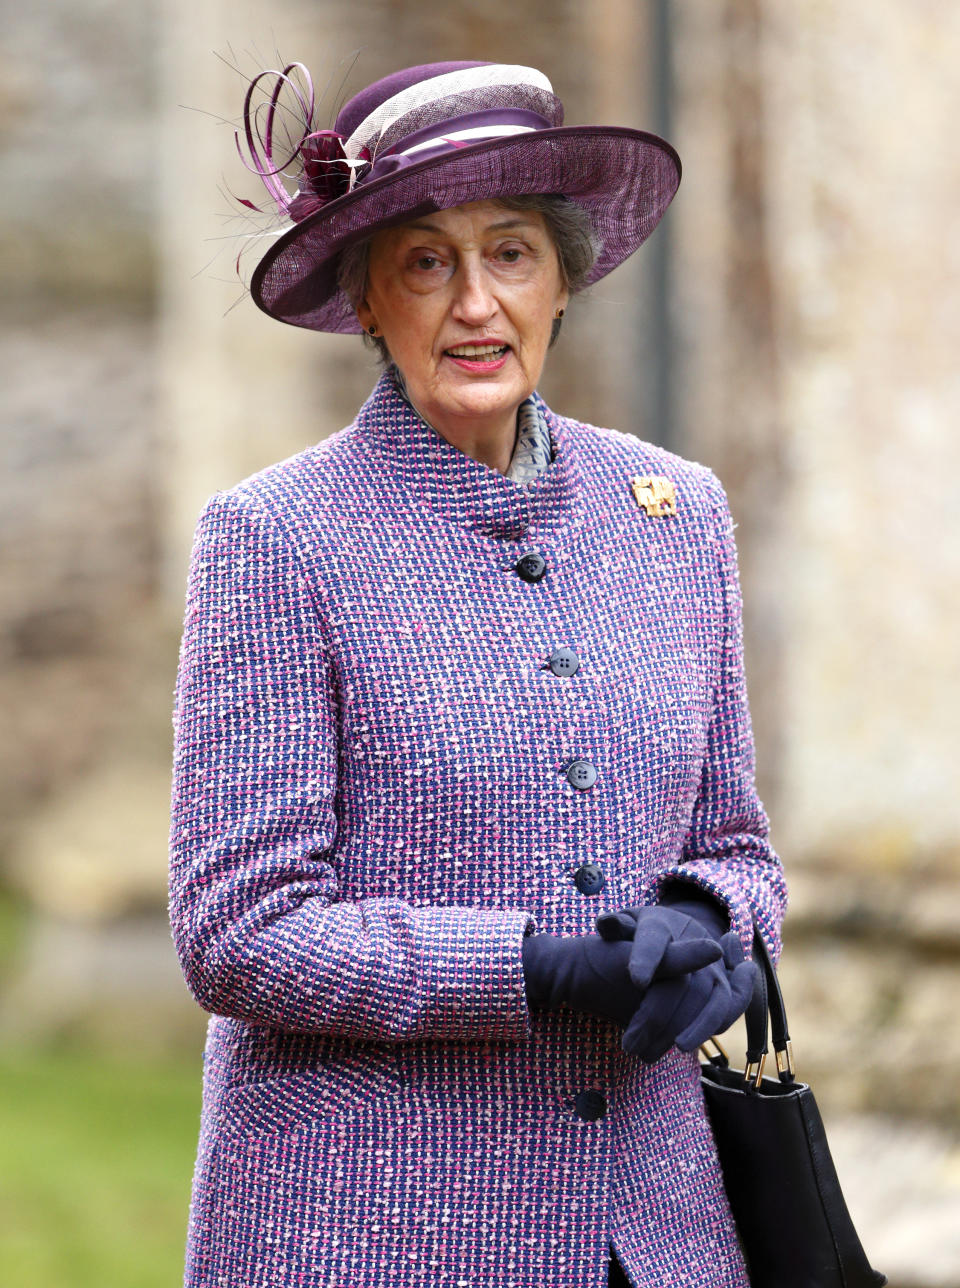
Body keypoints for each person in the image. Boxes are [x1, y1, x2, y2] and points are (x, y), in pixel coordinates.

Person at [168, 59, 787, 1288]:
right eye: (425, 262)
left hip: (658, 1235)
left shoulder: (676, 512)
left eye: (510, 254)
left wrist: (713, 924)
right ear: (369, 302)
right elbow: (236, 931)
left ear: (564, 282)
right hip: (375, 1230)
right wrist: (537, 967)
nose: (474, 305)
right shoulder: (278, 539)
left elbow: (738, 844)